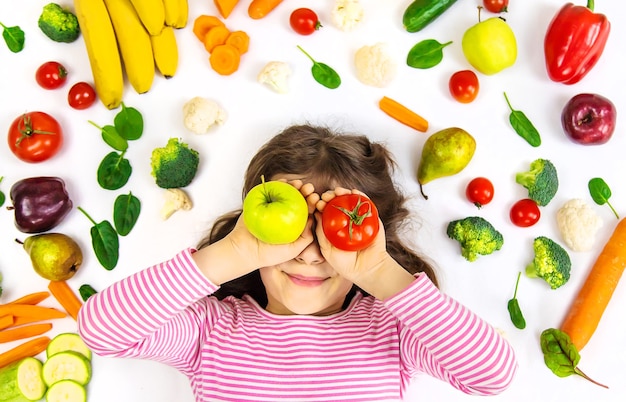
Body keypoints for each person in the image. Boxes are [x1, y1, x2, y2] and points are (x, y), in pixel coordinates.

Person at [77, 124, 517, 401]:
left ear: (373, 240)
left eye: (332, 233)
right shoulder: (210, 332)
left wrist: (377, 272)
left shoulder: (392, 332)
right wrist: (235, 252)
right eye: (292, 230)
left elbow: (493, 374)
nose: (308, 252)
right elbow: (101, 329)